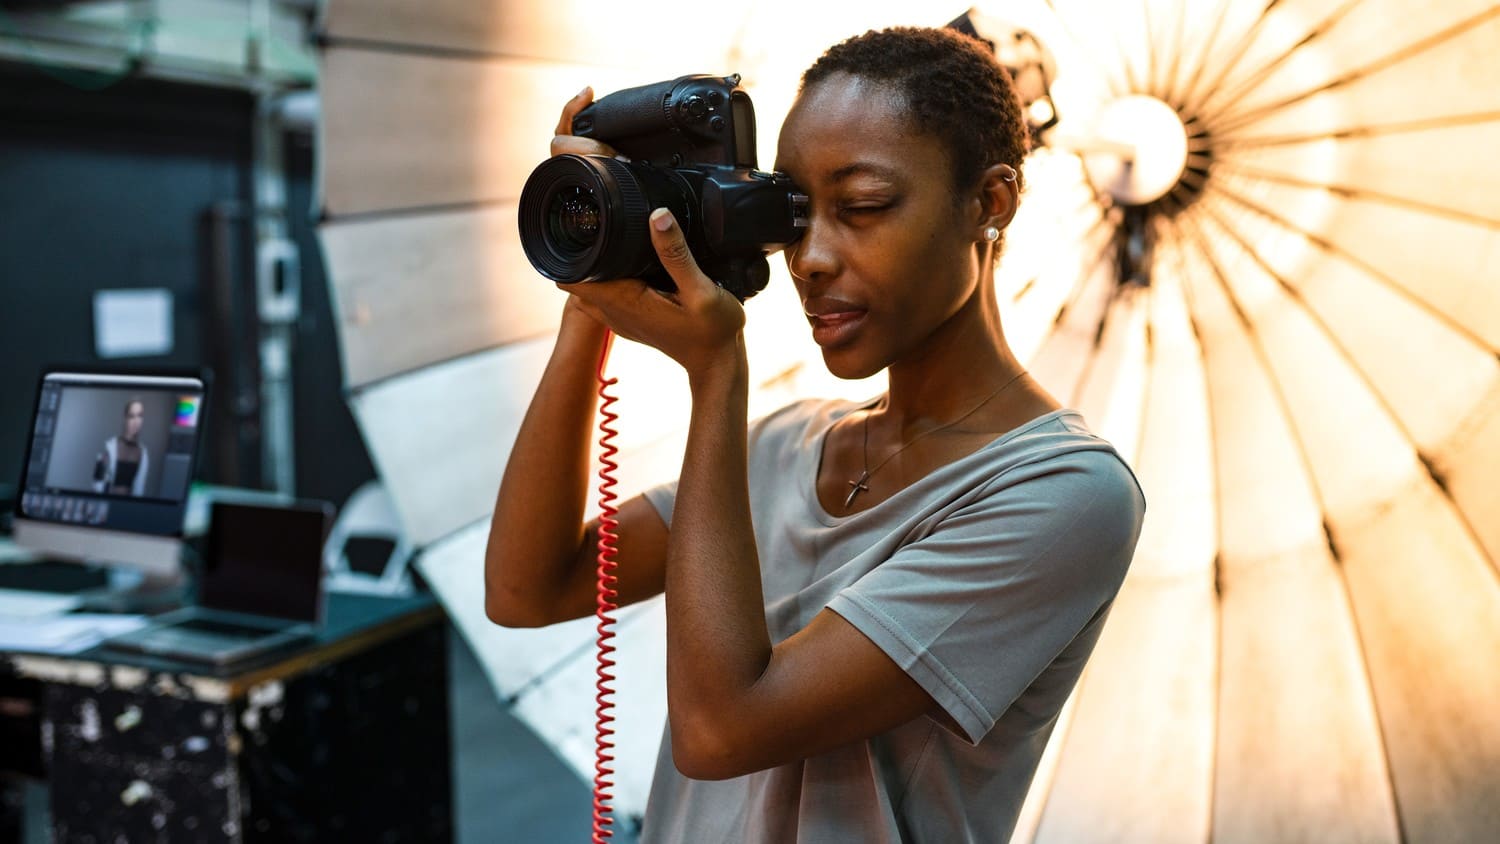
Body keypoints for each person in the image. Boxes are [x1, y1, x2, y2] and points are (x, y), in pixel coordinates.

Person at [486, 26, 1145, 842]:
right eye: (795, 214)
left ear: (990, 203)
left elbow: (721, 728)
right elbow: (526, 589)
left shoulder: (1064, 495)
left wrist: (716, 373)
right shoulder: (783, 446)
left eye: (863, 207)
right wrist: (594, 289)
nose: (812, 259)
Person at [94, 397, 149, 497]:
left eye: (139, 416)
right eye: (131, 416)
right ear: (125, 418)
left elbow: (139, 490)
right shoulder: (108, 446)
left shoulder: (143, 453)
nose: (136, 421)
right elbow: (97, 483)